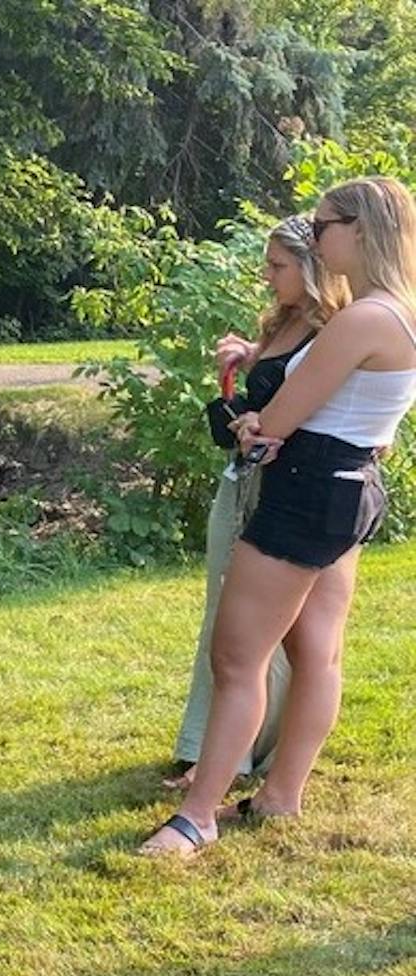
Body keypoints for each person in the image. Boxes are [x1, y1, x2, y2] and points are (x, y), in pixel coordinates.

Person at [142, 176, 416, 856]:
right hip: (352, 486)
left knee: (237, 654)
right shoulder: (402, 311)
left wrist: (253, 425)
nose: (317, 238)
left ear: (360, 230)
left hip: (304, 491)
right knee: (316, 651)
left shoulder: (363, 318)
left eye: (324, 226)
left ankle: (197, 815)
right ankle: (279, 796)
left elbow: (278, 422)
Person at [165, 215, 350, 790]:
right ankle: (215, 747)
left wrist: (261, 421)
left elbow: (319, 413)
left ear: (313, 268)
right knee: (228, 620)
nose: (267, 276)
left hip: (291, 492)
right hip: (243, 480)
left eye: (278, 266)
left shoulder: (338, 332)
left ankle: (240, 756)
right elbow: (276, 389)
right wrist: (249, 355)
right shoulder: (284, 322)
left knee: (268, 635)